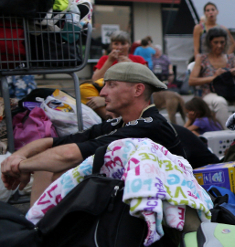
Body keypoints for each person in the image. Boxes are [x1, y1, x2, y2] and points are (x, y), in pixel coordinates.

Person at [1, 63, 185, 202]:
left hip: (163, 201)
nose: (103, 92)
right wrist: (18, 156)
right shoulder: (118, 122)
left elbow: (68, 154)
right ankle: (36, 230)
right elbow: (54, 143)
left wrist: (20, 166)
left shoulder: (150, 125)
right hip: (130, 194)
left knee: (62, 171)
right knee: (48, 165)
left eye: (111, 85)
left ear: (138, 89)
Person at [189, 26, 235, 126]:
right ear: (209, 43)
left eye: (222, 42)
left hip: (231, 92)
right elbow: (191, 81)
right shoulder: (202, 59)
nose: (219, 46)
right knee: (220, 102)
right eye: (216, 42)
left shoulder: (231, 58)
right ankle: (226, 131)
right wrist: (214, 77)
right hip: (210, 93)